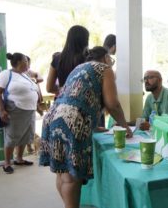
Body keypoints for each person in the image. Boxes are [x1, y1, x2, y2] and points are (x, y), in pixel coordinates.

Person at [39, 46, 132, 208]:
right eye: (111, 59)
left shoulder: (79, 68)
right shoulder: (104, 69)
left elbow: (79, 97)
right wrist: (125, 126)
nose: (111, 62)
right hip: (72, 121)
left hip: (53, 118)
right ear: (105, 58)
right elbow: (113, 104)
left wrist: (93, 127)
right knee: (71, 178)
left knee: (62, 172)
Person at [0, 53, 39, 174]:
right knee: (12, 136)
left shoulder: (25, 75)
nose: (28, 64)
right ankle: (7, 163)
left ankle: (19, 159)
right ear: (19, 62)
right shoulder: (7, 74)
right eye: (26, 61)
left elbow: (37, 78)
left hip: (30, 109)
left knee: (27, 134)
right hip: (15, 109)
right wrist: (2, 110)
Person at [46, 25, 89, 96]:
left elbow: (49, 88)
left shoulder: (57, 58)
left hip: (63, 101)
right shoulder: (89, 58)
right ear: (85, 40)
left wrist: (63, 89)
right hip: (84, 101)